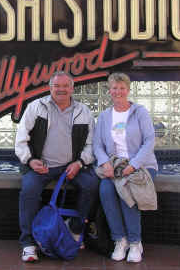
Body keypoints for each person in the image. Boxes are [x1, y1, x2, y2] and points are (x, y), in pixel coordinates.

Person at [15, 71, 99, 262]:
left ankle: (76, 229)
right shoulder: (36, 107)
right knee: (29, 191)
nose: (61, 90)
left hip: (71, 166)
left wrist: (80, 163)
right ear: (50, 88)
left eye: (65, 86)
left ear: (72, 88)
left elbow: (91, 144)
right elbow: (20, 139)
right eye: (57, 86)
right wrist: (30, 160)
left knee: (92, 185)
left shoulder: (83, 111)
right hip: (40, 165)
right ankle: (28, 243)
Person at [93, 72, 158, 263]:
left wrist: (134, 164)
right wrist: (105, 163)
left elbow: (149, 140)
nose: (118, 91)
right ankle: (120, 240)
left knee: (126, 192)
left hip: (141, 164)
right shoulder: (104, 116)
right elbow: (97, 144)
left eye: (122, 88)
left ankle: (135, 242)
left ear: (128, 90)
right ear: (109, 90)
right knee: (106, 190)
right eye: (114, 88)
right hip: (114, 166)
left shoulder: (139, 112)